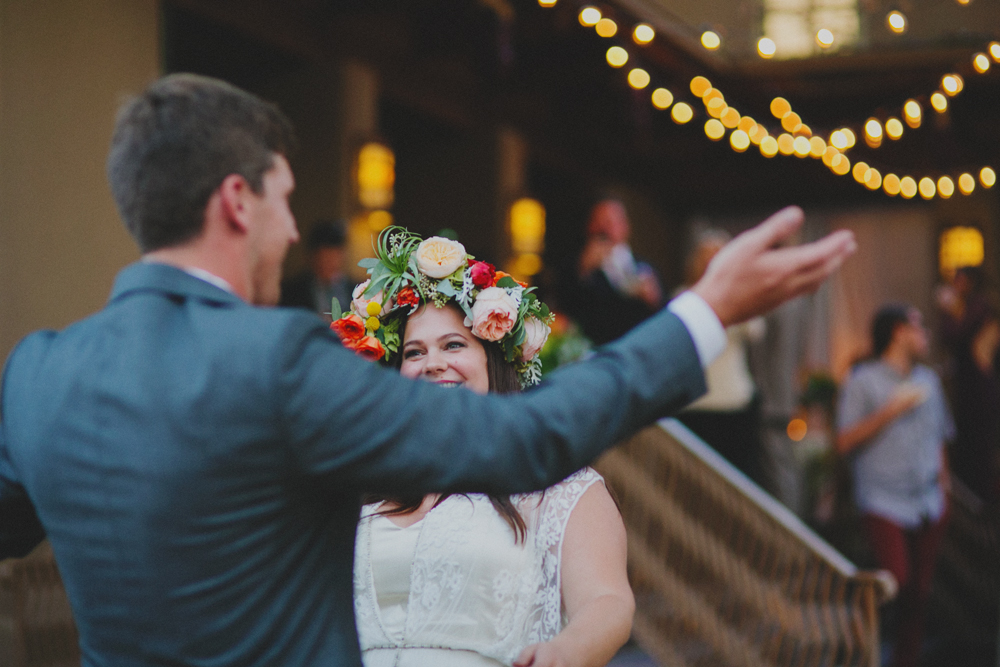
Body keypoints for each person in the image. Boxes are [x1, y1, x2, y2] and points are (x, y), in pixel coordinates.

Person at [0, 73, 856, 666]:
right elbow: (525, 434)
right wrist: (701, 314)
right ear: (236, 201)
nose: (295, 231)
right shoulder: (277, 361)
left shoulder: (37, 374)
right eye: (286, 198)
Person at [332, 231, 632, 667]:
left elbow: (608, 602)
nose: (433, 364)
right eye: (413, 353)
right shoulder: (360, 480)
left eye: (454, 345)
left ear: (494, 358)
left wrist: (564, 652)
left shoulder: (558, 483)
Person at [836, 304, 954, 667]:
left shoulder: (929, 382)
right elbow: (843, 441)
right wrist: (890, 410)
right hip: (883, 498)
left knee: (919, 593)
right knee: (895, 583)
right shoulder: (863, 380)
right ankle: (860, 649)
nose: (925, 336)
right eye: (919, 328)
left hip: (927, 500)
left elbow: (939, 437)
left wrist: (944, 485)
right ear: (899, 332)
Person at [677, 229, 768, 487]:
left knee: (737, 481)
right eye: (706, 257)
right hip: (695, 404)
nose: (711, 263)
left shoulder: (741, 295)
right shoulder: (683, 296)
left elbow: (755, 330)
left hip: (734, 401)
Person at [936, 266, 1000, 500]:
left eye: (959, 280)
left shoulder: (979, 306)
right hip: (970, 386)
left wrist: (946, 310)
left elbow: (954, 335)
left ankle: (981, 497)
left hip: (979, 388)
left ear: (970, 282)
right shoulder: (970, 307)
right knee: (969, 441)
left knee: (978, 444)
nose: (955, 285)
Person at [569, 199, 663, 345]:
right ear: (590, 227)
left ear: (626, 227)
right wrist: (583, 272)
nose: (605, 229)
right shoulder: (579, 267)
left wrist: (654, 299)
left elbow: (664, 314)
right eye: (600, 223)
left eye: (611, 222)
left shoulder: (645, 267)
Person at [280, 218, 353, 320]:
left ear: (342, 255)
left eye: (333, 256)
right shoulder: (291, 293)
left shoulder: (356, 291)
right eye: (323, 257)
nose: (327, 263)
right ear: (311, 256)